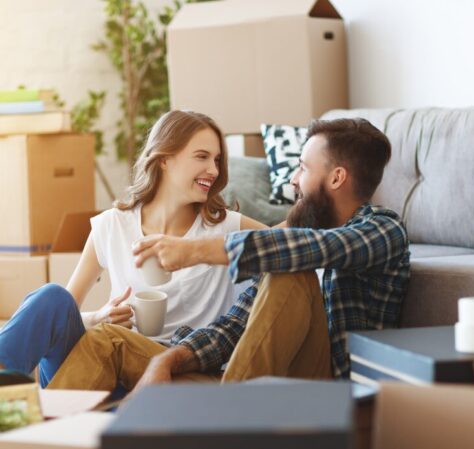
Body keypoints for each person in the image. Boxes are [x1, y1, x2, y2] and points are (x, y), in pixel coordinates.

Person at [46, 117, 411, 391]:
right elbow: (234, 326)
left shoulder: (382, 230)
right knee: (105, 340)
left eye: (302, 168)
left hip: (325, 391)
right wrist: (168, 361)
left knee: (291, 267)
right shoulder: (297, 242)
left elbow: (318, 249)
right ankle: (40, 446)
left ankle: (223, 421)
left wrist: (195, 251)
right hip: (241, 383)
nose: (293, 181)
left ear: (336, 178)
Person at [0, 110, 265, 388]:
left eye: (217, 160)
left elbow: (293, 239)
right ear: (164, 158)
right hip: (102, 364)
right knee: (52, 298)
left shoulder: (227, 227)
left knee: (110, 341)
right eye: (202, 157)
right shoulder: (112, 226)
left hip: (174, 369)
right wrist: (99, 317)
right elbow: (68, 314)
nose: (213, 169)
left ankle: (41, 422)